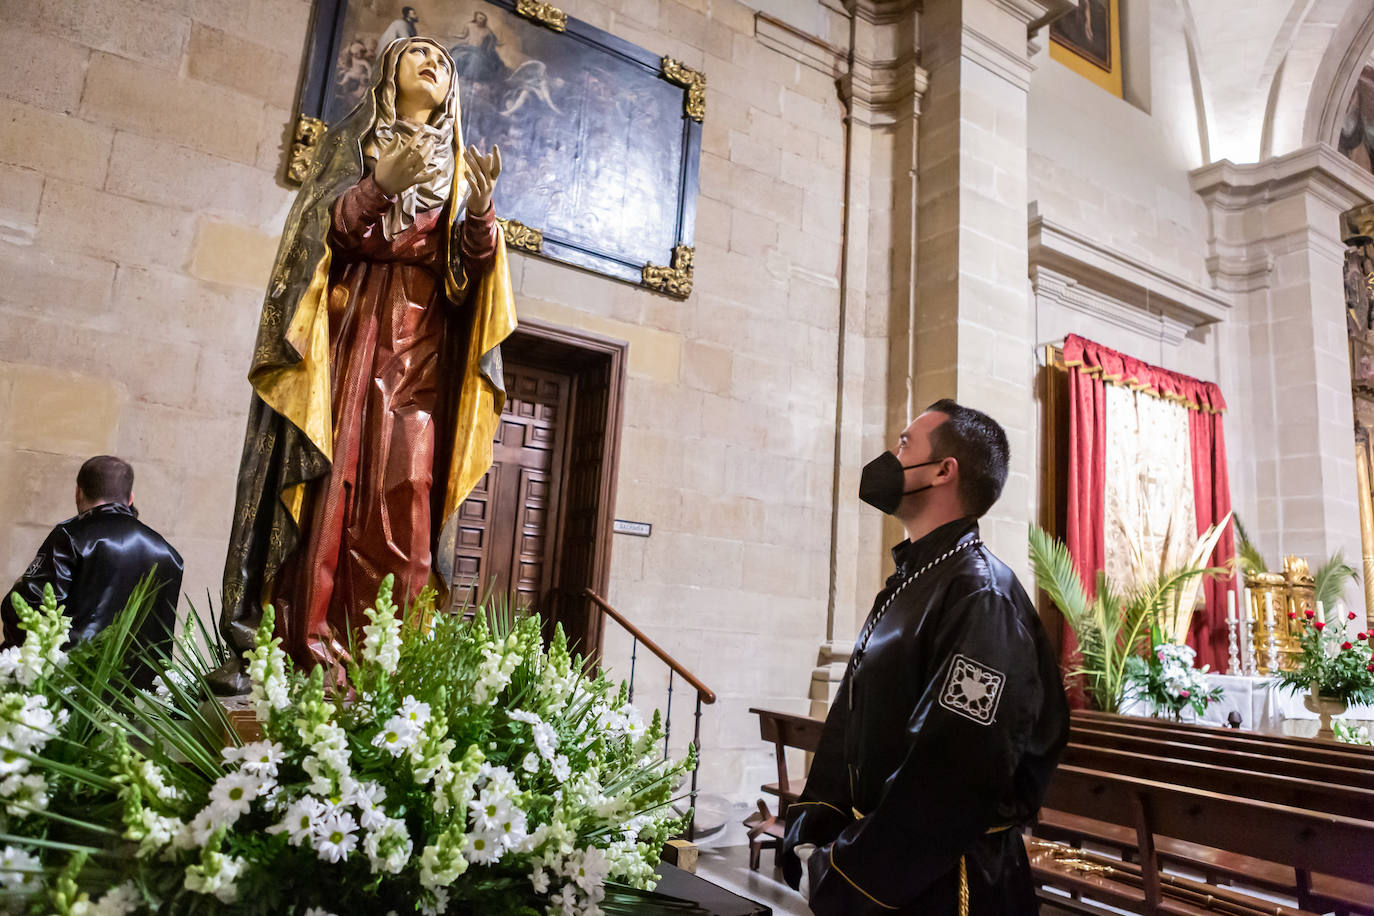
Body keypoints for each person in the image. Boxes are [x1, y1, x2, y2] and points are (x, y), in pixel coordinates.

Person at [213, 36, 516, 693]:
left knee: (403, 497)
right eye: (418, 56)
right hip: (349, 340)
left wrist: (483, 214)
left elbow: (467, 278)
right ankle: (301, 648)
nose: (434, 65)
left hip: (419, 352)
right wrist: (379, 187)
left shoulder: (461, 169)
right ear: (388, 72)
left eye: (443, 62)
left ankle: (388, 663)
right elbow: (325, 236)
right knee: (329, 482)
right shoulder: (356, 145)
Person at [782, 400, 1069, 915]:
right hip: (892, 866)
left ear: (943, 470)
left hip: (948, 882)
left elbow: (955, 766)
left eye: (903, 445)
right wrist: (815, 823)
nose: (890, 458)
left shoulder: (981, 595)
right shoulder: (911, 580)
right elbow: (851, 718)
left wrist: (849, 866)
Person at [2, 456, 183, 687]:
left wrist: (18, 589)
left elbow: (30, 611)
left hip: (72, 691)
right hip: (136, 702)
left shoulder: (71, 535)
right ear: (130, 498)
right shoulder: (169, 554)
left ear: (78, 492)